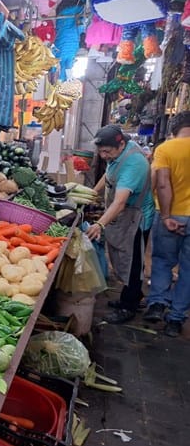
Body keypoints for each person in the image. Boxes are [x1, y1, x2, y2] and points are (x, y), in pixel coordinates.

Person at [86, 125, 155, 324]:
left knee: (132, 262)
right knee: (123, 259)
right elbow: (108, 175)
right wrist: (91, 194)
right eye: (100, 151)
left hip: (136, 219)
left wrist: (99, 224)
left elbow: (120, 202)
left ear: (121, 144)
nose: (103, 155)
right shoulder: (118, 154)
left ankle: (129, 306)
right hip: (123, 216)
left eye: (107, 151)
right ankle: (132, 296)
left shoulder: (134, 163)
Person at [142, 111, 190, 337]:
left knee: (162, 261)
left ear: (174, 130)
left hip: (173, 215)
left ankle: (158, 303)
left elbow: (162, 184)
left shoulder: (166, 149)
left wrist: (166, 217)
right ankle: (176, 319)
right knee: (188, 270)